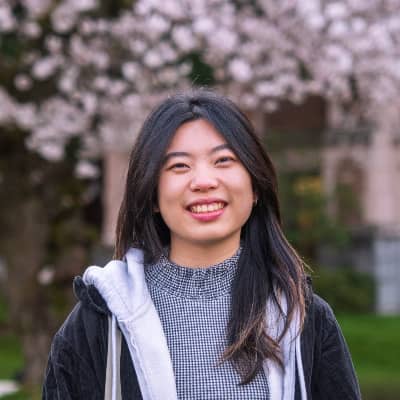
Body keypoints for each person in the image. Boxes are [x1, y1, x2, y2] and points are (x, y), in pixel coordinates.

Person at [42, 90, 361, 400]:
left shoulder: (302, 319)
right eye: (179, 166)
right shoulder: (100, 321)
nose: (204, 181)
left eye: (223, 160)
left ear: (255, 186)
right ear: (152, 194)